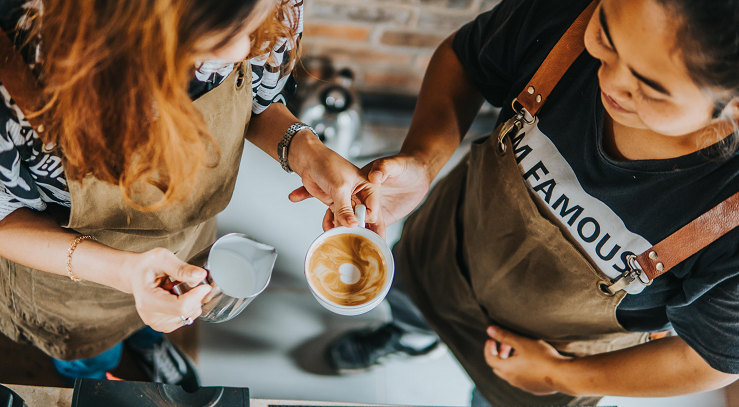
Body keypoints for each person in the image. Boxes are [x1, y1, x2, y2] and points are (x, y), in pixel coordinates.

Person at [322, 0, 739, 405]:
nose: (608, 82)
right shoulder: (565, 13)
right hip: (448, 249)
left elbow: (711, 358)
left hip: (547, 358)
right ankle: (412, 337)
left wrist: (555, 376)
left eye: (648, 88)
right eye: (605, 39)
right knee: (409, 299)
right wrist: (423, 159)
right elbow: (465, 60)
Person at [0, 0, 379, 385]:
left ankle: (149, 346)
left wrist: (306, 150)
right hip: (72, 282)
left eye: (252, 28)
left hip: (188, 237)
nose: (242, 52)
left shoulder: (269, 6)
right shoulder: (18, 80)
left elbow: (260, 99)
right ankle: (97, 376)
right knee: (90, 356)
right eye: (225, 36)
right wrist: (126, 272)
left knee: (162, 315)